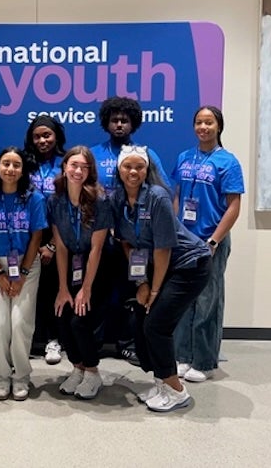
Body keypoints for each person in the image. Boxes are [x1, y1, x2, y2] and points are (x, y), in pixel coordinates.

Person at [110, 144, 211, 412]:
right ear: (119, 170)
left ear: (147, 170)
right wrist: (141, 283)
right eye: (128, 166)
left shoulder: (158, 196)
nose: (133, 172)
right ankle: (161, 383)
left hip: (190, 266)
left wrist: (154, 292)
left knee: (157, 325)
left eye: (139, 167)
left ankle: (177, 391)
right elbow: (127, 244)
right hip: (158, 269)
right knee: (142, 320)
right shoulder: (118, 199)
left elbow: (163, 249)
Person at [90, 96, 171, 366]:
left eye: (124, 120)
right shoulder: (94, 154)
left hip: (135, 242)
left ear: (133, 123)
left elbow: (163, 190)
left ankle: (128, 344)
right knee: (99, 293)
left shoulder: (146, 154)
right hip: (102, 239)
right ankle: (94, 343)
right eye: (114, 120)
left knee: (131, 292)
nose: (119, 125)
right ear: (106, 122)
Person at [172, 106, 244, 383]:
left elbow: (234, 206)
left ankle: (204, 361)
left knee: (207, 302)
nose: (203, 127)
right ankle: (182, 355)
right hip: (185, 240)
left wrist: (214, 240)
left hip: (211, 240)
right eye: (199, 122)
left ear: (219, 127)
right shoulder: (184, 157)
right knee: (183, 298)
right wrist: (176, 230)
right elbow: (178, 195)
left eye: (209, 122)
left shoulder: (228, 162)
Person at [0, 147, 46, 401]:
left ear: (23, 170)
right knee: (0, 324)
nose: (10, 169)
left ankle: (22, 376)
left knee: (20, 323)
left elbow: (37, 237)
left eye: (16, 165)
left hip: (27, 264)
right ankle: (2, 376)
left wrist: (23, 273)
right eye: (6, 163)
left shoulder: (34, 198)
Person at [49, 146, 112, 400]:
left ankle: (93, 372)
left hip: (98, 267)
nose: (78, 171)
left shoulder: (100, 201)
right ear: (64, 167)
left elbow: (97, 249)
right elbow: (61, 247)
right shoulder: (55, 201)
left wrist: (86, 289)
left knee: (80, 320)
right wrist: (63, 288)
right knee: (62, 314)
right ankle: (78, 367)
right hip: (70, 264)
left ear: (90, 171)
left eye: (84, 167)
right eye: (74, 165)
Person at [23, 115, 66, 365]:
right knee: (28, 293)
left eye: (47, 135)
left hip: (56, 238)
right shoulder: (24, 163)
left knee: (52, 290)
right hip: (28, 237)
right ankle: (29, 340)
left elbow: (70, 206)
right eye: (37, 136)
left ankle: (53, 340)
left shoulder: (65, 163)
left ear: (56, 136)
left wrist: (50, 245)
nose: (42, 141)